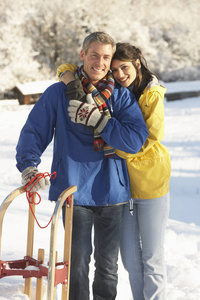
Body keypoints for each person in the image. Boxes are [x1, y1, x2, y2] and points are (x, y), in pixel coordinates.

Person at [16, 32, 149, 300]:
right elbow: (34, 131)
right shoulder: (58, 93)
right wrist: (28, 165)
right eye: (94, 55)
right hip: (73, 191)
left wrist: (101, 121)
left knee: (108, 268)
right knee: (76, 264)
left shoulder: (121, 97)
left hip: (112, 193)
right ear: (82, 55)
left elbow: (135, 140)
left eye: (106, 57)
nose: (99, 62)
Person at [58, 42, 171, 300]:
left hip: (151, 184)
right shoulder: (113, 90)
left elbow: (142, 142)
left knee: (152, 259)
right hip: (123, 189)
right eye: (116, 68)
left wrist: (108, 133)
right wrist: (68, 79)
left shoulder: (149, 94)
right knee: (131, 260)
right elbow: (70, 67)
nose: (120, 74)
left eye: (125, 67)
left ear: (138, 64)